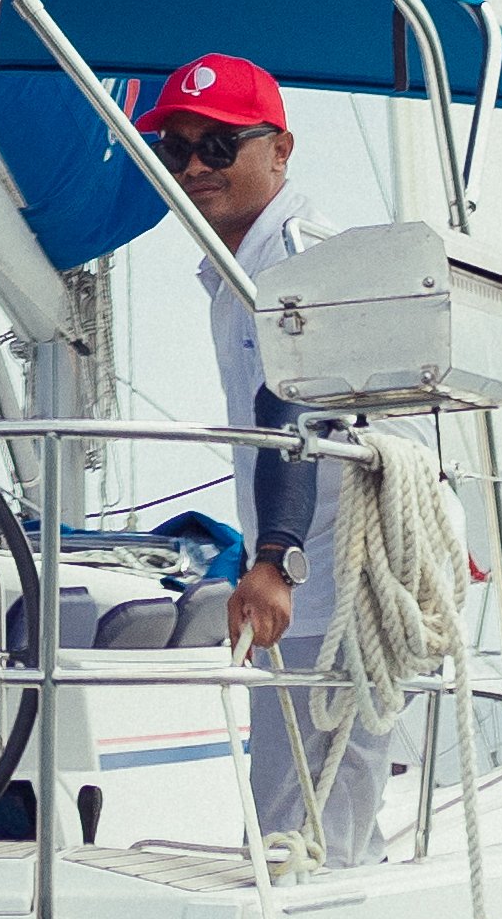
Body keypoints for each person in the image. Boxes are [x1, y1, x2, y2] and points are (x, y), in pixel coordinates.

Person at [148, 51, 404, 866]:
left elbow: (298, 404)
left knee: (313, 806)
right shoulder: (239, 264)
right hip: (317, 573)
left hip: (331, 573)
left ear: (279, 151)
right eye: (176, 148)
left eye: (218, 146)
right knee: (305, 792)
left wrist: (273, 562)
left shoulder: (293, 258)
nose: (194, 166)